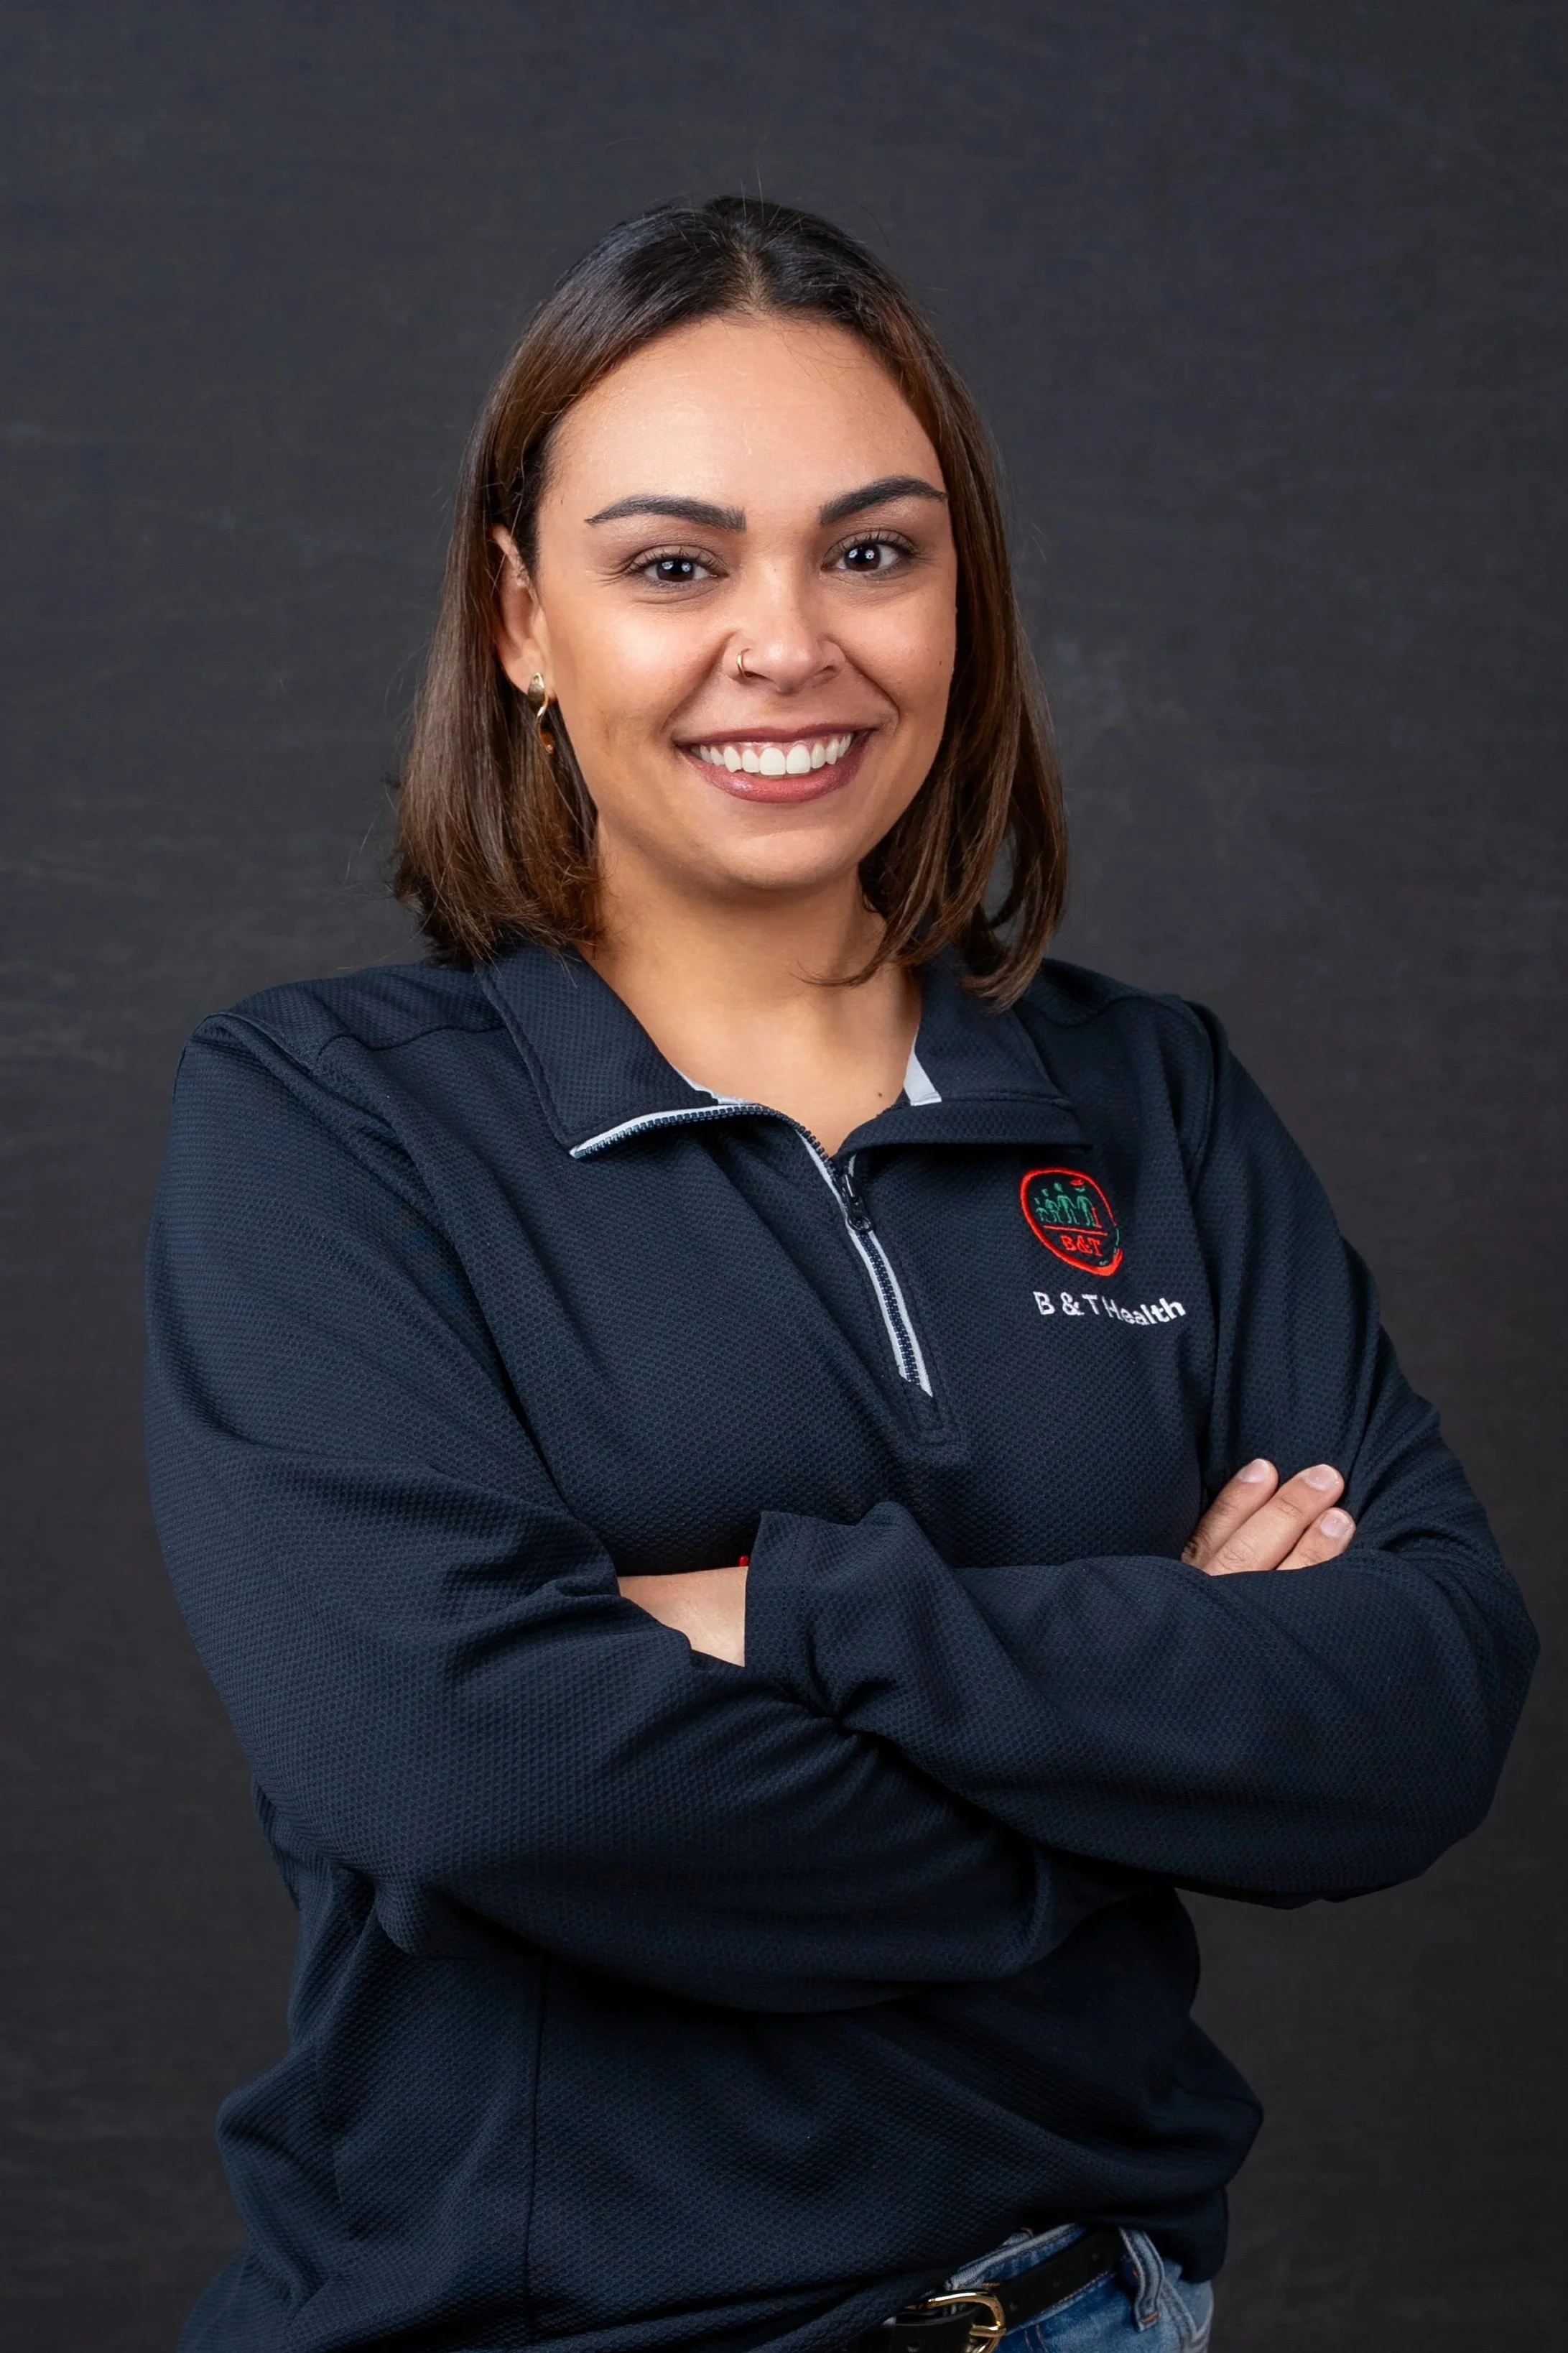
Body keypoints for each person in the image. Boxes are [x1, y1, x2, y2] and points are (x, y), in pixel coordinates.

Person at [145, 196, 1536, 2353]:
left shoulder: (1149, 1096)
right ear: (521, 619)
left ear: (961, 595)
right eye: (674, 566)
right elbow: (469, 1770)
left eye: (871, 552)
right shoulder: (330, 1120)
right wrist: (1151, 1731)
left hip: (1088, 2311)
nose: (787, 644)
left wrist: (790, 1618)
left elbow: (1421, 1699)